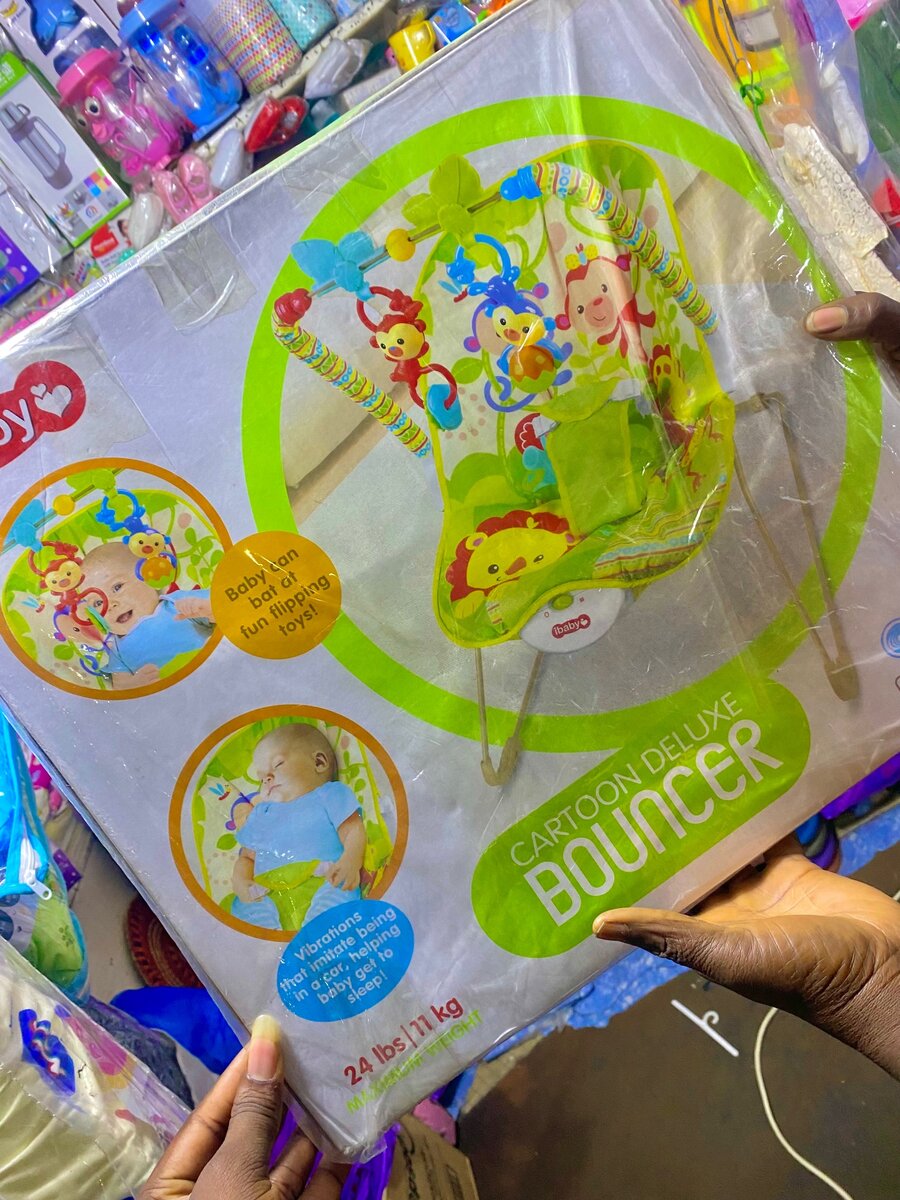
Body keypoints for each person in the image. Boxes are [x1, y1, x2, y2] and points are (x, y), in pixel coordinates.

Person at [139, 294, 900, 1199]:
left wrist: (874, 990)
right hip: (324, 891)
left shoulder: (334, 795)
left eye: (280, 769)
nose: (268, 780)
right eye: (264, 774)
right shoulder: (278, 806)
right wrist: (873, 988)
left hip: (613, 500)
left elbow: (350, 827)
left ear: (319, 767)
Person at [232, 725, 367, 931]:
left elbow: (353, 830)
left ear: (319, 762)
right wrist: (241, 881)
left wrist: (350, 860)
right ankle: (265, 939)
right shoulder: (261, 813)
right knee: (245, 908)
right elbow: (246, 857)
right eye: (261, 778)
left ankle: (321, 934)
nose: (267, 779)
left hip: (323, 878)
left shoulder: (328, 794)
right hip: (268, 892)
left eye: (277, 764)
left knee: (339, 893)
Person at [79, 541, 214, 689]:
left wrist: (205, 609)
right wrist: (133, 684)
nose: (111, 604)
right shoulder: (117, 650)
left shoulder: (176, 603)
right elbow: (119, 686)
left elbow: (222, 608)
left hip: (211, 669)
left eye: (117, 587)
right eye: (98, 603)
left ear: (148, 576)